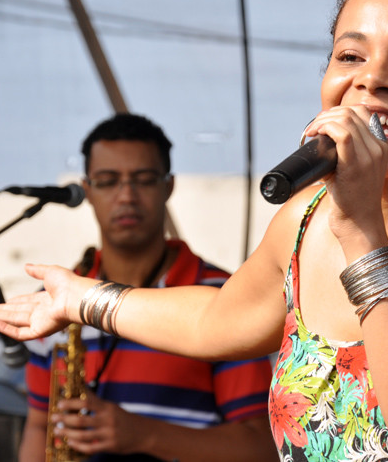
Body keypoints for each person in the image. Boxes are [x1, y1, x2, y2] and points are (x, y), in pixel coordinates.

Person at [0, 0, 388, 461]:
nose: (372, 80)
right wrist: (81, 299)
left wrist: (362, 232)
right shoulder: (305, 219)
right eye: (350, 55)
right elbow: (217, 318)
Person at [17, 113, 277, 462]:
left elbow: (262, 446)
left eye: (143, 179)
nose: (127, 196)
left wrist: (143, 434)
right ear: (87, 190)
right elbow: (39, 426)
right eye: (108, 181)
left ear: (168, 186)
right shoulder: (52, 301)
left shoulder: (223, 295)